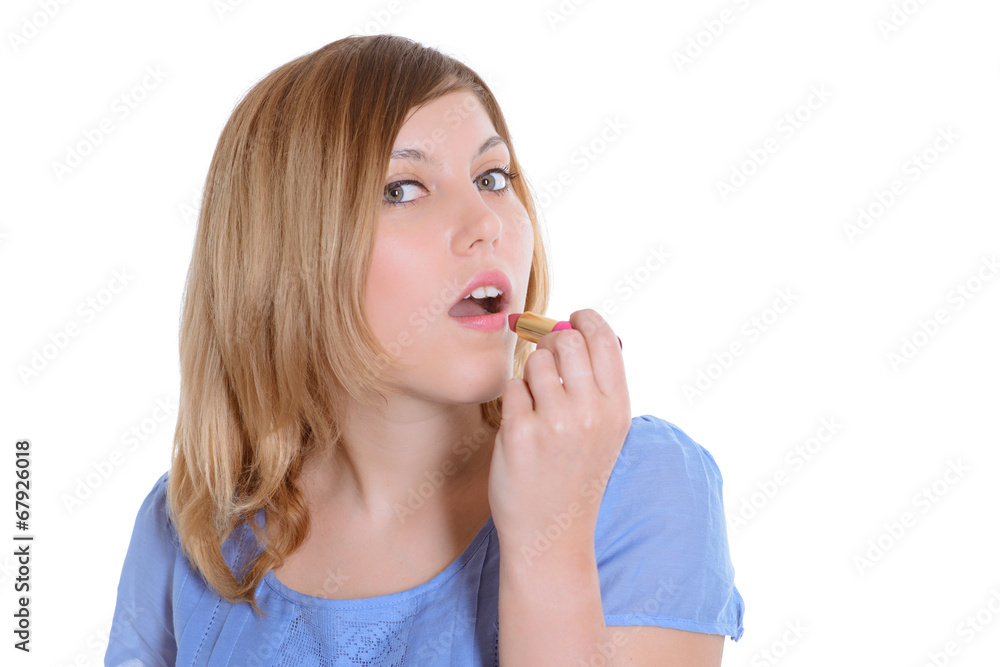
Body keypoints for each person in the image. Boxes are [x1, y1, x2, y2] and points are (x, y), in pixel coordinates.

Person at [105, 34, 744, 666]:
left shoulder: (637, 483)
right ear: (283, 255)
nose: (486, 223)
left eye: (492, 177)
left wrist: (548, 539)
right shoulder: (190, 526)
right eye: (403, 189)